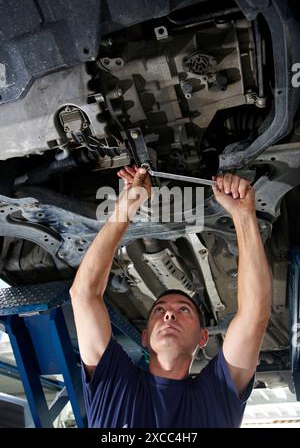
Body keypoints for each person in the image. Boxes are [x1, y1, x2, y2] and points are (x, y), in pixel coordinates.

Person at [70, 165, 272, 428]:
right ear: (144, 337)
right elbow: (83, 294)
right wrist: (127, 205)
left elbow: (253, 316)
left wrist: (244, 215)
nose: (169, 313)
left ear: (203, 337)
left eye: (184, 310)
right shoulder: (114, 384)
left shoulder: (215, 392)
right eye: (159, 310)